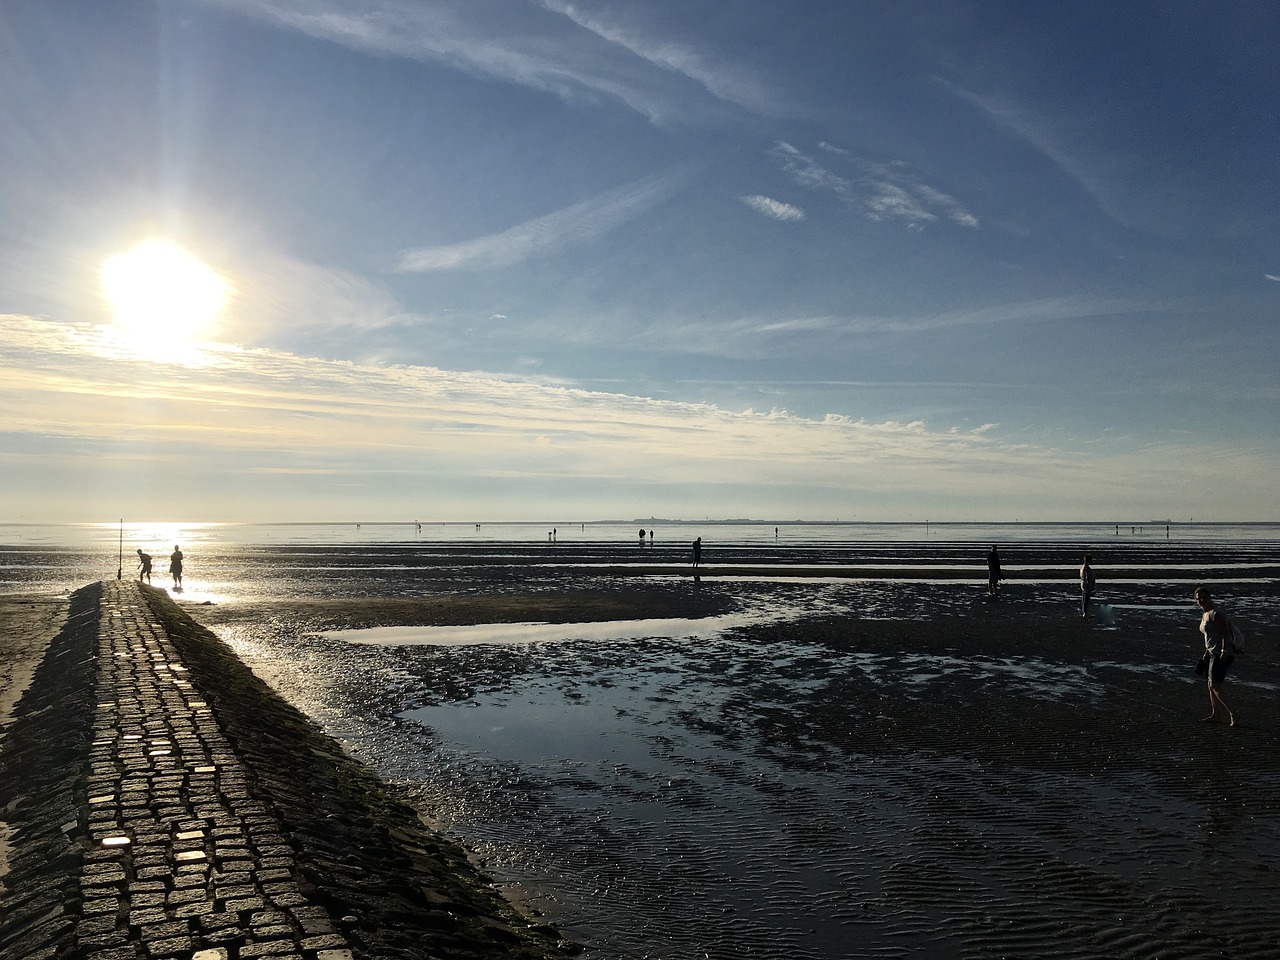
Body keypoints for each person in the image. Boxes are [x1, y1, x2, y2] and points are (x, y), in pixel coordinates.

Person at [1194, 587, 1237, 726]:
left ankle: (1233, 714)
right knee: (1210, 684)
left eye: (1203, 597)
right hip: (1212, 653)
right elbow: (1210, 636)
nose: (1201, 600)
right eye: (1198, 598)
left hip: (1222, 653)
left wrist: (1225, 650)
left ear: (1210, 598)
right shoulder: (1205, 614)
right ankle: (1216, 714)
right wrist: (1206, 653)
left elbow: (1225, 634)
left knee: (1215, 685)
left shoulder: (1215, 614)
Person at [1079, 553, 1095, 618]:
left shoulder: (1083, 567)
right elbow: (1087, 577)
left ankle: (1084, 612)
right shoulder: (1086, 568)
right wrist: (1090, 587)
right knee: (1086, 599)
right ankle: (1085, 613)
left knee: (1084, 599)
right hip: (1086, 585)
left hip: (1083, 584)